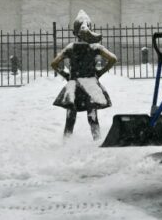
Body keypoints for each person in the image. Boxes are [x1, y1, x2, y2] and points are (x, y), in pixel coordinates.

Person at [50, 10, 118, 140]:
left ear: (74, 32)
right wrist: (99, 73)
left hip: (74, 86)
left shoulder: (70, 48)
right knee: (93, 118)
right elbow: (113, 59)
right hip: (90, 85)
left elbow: (54, 63)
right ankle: (96, 140)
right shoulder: (95, 47)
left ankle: (66, 142)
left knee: (70, 118)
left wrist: (66, 75)